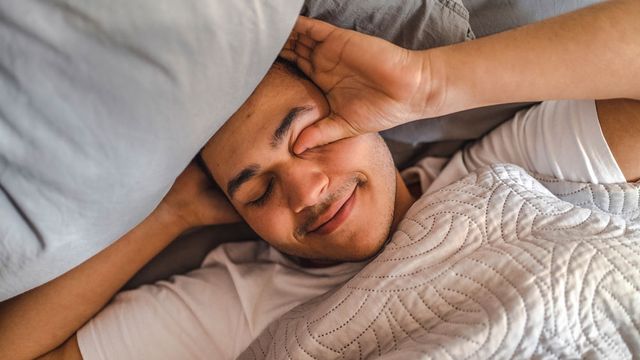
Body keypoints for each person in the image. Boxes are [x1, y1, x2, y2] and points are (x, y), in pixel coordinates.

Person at [1, 0, 639, 359]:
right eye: (255, 191)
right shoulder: (238, 299)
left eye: (307, 136)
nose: (305, 192)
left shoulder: (502, 166)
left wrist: (429, 84)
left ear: (361, 111)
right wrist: (171, 216)